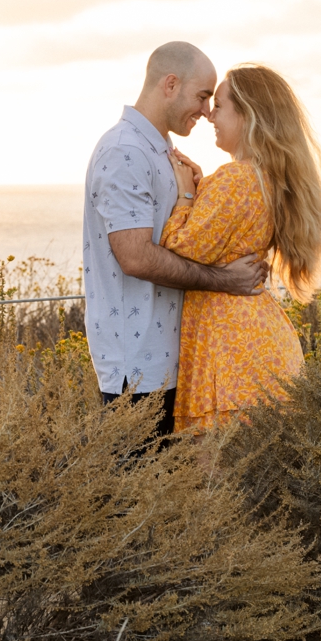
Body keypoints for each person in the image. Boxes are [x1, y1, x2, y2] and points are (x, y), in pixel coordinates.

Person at [82, 42, 269, 440]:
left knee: (175, 495)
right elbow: (135, 257)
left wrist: (198, 195)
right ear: (170, 84)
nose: (206, 110)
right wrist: (225, 280)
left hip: (172, 360)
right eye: (202, 96)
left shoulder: (160, 150)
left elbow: (179, 238)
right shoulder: (124, 152)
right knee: (139, 496)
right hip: (137, 368)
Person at [161, 65, 321, 432]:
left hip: (229, 354)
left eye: (219, 106)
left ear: (248, 116)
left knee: (215, 482)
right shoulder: (264, 176)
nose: (209, 115)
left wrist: (187, 196)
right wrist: (206, 188)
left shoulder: (236, 178)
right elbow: (225, 234)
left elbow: (179, 248)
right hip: (257, 345)